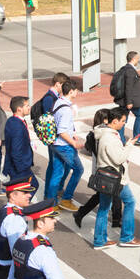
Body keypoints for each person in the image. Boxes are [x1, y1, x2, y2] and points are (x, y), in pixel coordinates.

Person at [85, 107, 140, 248]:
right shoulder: (109, 138)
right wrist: (129, 146)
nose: (124, 123)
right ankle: (127, 237)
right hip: (116, 179)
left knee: (104, 208)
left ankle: (99, 240)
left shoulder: (103, 133)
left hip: (105, 177)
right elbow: (118, 158)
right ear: (114, 121)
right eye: (123, 121)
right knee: (130, 202)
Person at [42, 81, 84, 212]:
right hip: (64, 146)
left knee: (57, 173)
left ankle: (51, 202)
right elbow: (62, 130)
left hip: (55, 144)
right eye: (76, 90)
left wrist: (73, 134)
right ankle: (66, 199)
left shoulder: (58, 102)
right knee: (78, 170)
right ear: (71, 91)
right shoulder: (66, 109)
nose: (77, 92)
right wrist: (73, 143)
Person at [111, 51, 140, 146]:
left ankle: (121, 140)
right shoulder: (130, 71)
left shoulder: (124, 69)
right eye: (137, 58)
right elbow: (128, 87)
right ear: (133, 59)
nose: (138, 60)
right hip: (130, 101)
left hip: (124, 100)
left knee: (123, 120)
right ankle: (137, 138)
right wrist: (129, 102)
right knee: (139, 116)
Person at [2, 95, 37, 195]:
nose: (29, 107)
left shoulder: (12, 120)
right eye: (27, 106)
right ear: (19, 109)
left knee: (24, 190)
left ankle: (20, 207)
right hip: (19, 167)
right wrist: (21, 169)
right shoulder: (17, 126)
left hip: (19, 166)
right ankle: (20, 209)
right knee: (28, 188)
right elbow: (15, 150)